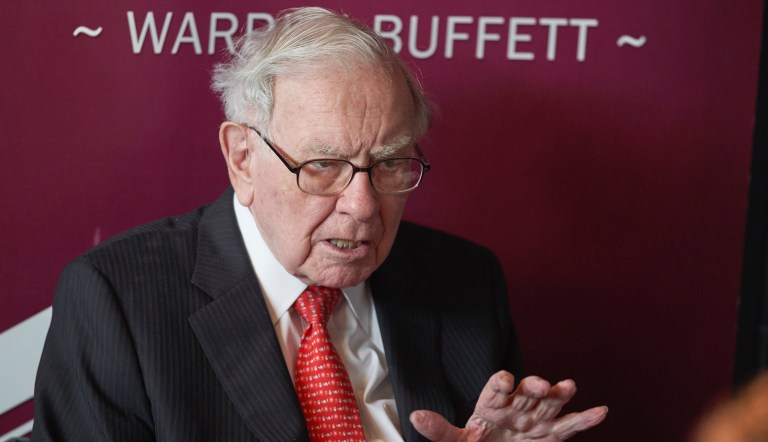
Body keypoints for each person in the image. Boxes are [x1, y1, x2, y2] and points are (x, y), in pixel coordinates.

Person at [32, 7, 607, 441]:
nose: (361, 206)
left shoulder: (465, 281)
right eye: (323, 166)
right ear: (241, 159)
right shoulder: (118, 300)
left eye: (388, 164)